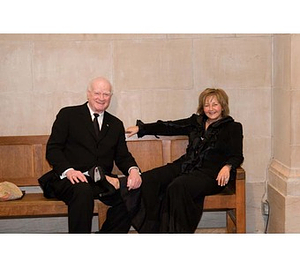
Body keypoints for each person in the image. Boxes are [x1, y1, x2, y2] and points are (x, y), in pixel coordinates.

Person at [125, 88, 244, 233]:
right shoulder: (196, 122)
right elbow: (169, 126)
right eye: (207, 105)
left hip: (210, 175)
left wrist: (227, 166)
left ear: (223, 106)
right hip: (185, 166)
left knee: (177, 186)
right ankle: (154, 230)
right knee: (149, 179)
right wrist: (141, 128)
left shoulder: (233, 127)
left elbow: (237, 155)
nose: (211, 109)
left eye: (215, 104)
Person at [41, 77, 142, 233]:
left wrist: (133, 170)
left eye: (106, 94)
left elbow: (122, 156)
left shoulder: (115, 124)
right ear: (88, 94)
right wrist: (69, 170)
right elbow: (53, 149)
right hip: (69, 179)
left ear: (110, 97)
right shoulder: (68, 115)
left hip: (99, 181)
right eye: (97, 93)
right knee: (83, 190)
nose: (101, 98)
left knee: (131, 192)